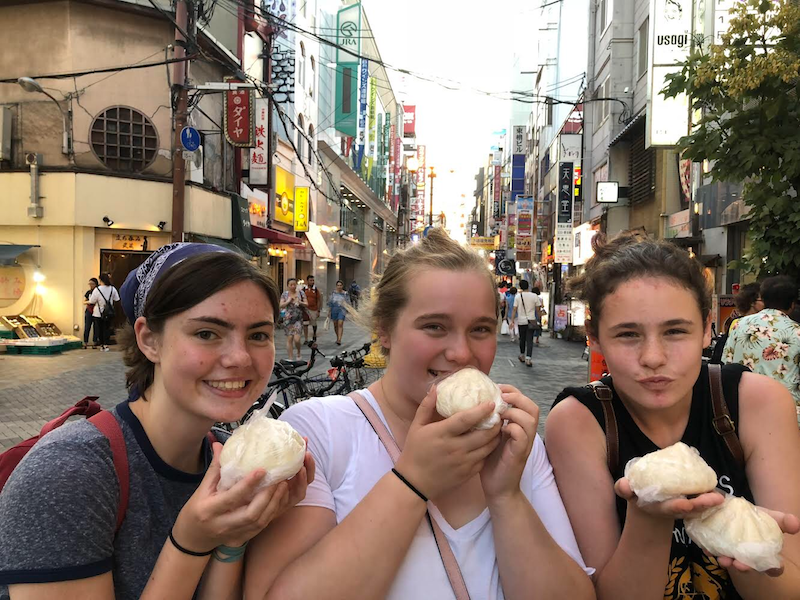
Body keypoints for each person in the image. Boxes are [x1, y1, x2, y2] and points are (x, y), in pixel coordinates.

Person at [243, 228, 594, 600]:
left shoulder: (519, 447)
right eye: (435, 327)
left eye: (480, 329)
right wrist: (413, 481)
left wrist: (506, 495)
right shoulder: (316, 432)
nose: (461, 352)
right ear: (385, 330)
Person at [0, 243, 313, 599]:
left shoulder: (227, 461)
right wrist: (190, 542)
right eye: (207, 333)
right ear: (148, 339)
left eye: (258, 335)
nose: (240, 357)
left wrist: (233, 538)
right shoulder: (68, 474)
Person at [546, 232, 800, 600]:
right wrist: (649, 518)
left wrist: (748, 546)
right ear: (595, 337)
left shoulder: (755, 402)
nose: (653, 357)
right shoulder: (580, 421)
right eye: (628, 334)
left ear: (707, 328)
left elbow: (789, 587)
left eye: (675, 331)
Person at [723, 275, 800, 427]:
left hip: (742, 412)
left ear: (763, 299)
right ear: (792, 304)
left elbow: (726, 363)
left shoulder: (739, 325)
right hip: (786, 417)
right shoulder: (797, 333)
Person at [510, 280, 541, 367]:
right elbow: (538, 310)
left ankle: (522, 355)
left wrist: (512, 320)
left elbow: (514, 309)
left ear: (520, 286)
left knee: (522, 339)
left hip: (521, 321)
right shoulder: (534, 296)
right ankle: (528, 358)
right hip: (531, 320)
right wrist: (539, 319)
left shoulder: (518, 297)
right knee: (530, 340)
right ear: (528, 286)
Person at [89, 272, 120, 352]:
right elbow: (117, 299)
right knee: (106, 329)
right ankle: (106, 344)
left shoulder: (97, 289)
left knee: (99, 329)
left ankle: (101, 344)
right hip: (108, 312)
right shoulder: (112, 289)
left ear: (101, 280)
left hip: (98, 312)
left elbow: (92, 301)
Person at [279, 278, 308, 360]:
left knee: (297, 339)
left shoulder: (301, 293)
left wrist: (300, 302)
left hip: (298, 319)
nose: (293, 286)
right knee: (289, 338)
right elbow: (281, 305)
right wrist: (288, 301)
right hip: (288, 319)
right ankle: (290, 358)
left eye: (294, 284)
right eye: (291, 285)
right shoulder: (285, 294)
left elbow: (306, 304)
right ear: (288, 285)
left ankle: (298, 352)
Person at [328, 280, 349, 346]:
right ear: (336, 286)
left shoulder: (345, 294)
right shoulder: (333, 293)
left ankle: (339, 339)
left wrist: (348, 309)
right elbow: (330, 303)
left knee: (340, 323)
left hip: (342, 310)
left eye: (340, 285)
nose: (339, 287)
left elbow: (348, 302)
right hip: (334, 309)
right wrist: (329, 311)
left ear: (342, 286)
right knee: (335, 324)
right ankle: (337, 337)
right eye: (338, 285)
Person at [303, 274, 322, 344]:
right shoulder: (304, 289)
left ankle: (314, 334)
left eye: (313, 280)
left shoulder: (316, 290)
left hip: (313, 309)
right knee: (305, 324)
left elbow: (319, 300)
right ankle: (306, 339)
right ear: (307, 281)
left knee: (314, 323)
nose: (312, 282)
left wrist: (318, 310)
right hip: (305, 309)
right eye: (311, 280)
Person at [83, 277, 99, 349]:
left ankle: (95, 342)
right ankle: (85, 342)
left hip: (96, 310)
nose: (91, 285)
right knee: (87, 327)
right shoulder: (88, 292)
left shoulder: (98, 291)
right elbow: (84, 301)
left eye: (92, 284)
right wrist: (89, 302)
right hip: (89, 310)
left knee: (96, 327)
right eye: (90, 284)